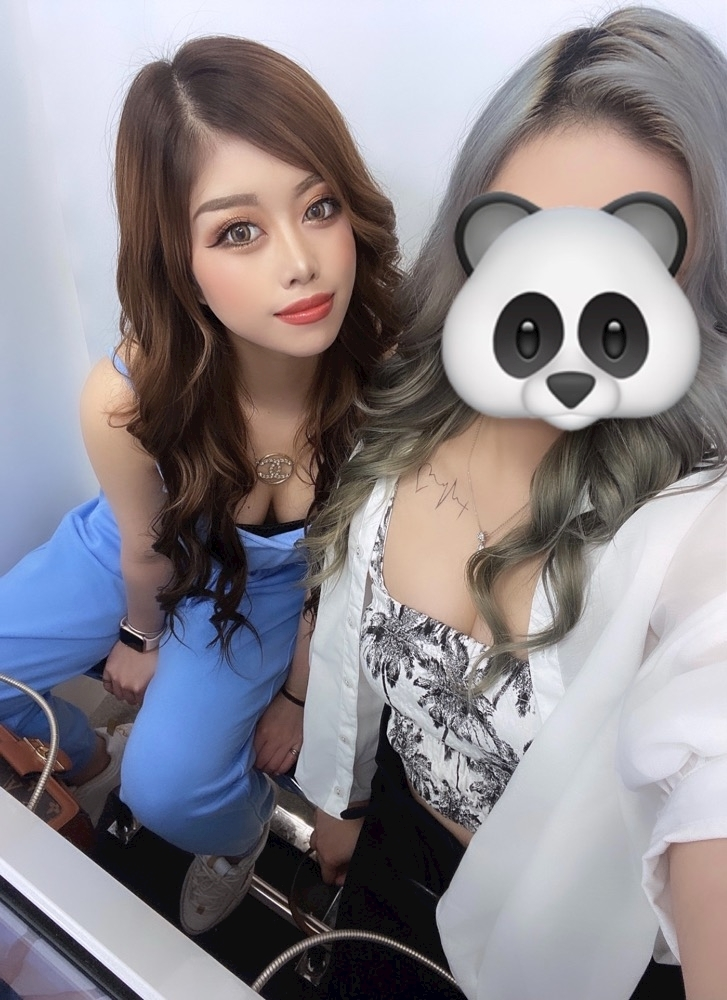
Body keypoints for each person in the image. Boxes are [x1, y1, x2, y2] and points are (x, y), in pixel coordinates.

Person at [296, 8, 727, 999]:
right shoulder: (407, 404)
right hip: (394, 856)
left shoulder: (690, 522)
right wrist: (338, 799)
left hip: (569, 946)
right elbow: (349, 645)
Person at [0, 36, 399, 936]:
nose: (300, 263)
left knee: (170, 793)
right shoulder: (126, 398)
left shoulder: (389, 380)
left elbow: (347, 574)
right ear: (175, 259)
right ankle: (74, 752)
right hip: (142, 542)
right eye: (237, 231)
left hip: (277, 587)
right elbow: (143, 551)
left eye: (320, 206)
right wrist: (141, 637)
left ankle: (240, 833)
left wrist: (295, 695)